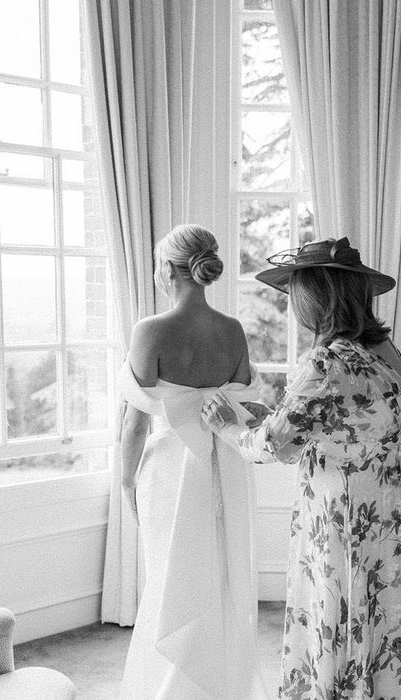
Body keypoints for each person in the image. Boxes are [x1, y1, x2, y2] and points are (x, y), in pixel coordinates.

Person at [202, 237, 401, 699]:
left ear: (316, 299)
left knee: (338, 615)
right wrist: (280, 414)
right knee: (384, 617)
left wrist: (227, 425)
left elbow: (271, 447)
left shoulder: (327, 363)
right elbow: (349, 422)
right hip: (390, 513)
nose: (293, 307)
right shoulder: (388, 352)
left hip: (344, 517)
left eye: (297, 294)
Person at [118, 224, 268, 699]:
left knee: (171, 579)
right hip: (226, 467)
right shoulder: (233, 330)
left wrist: (125, 482)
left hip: (169, 472)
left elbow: (135, 425)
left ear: (167, 269)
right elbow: (242, 410)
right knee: (220, 577)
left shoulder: (151, 331)